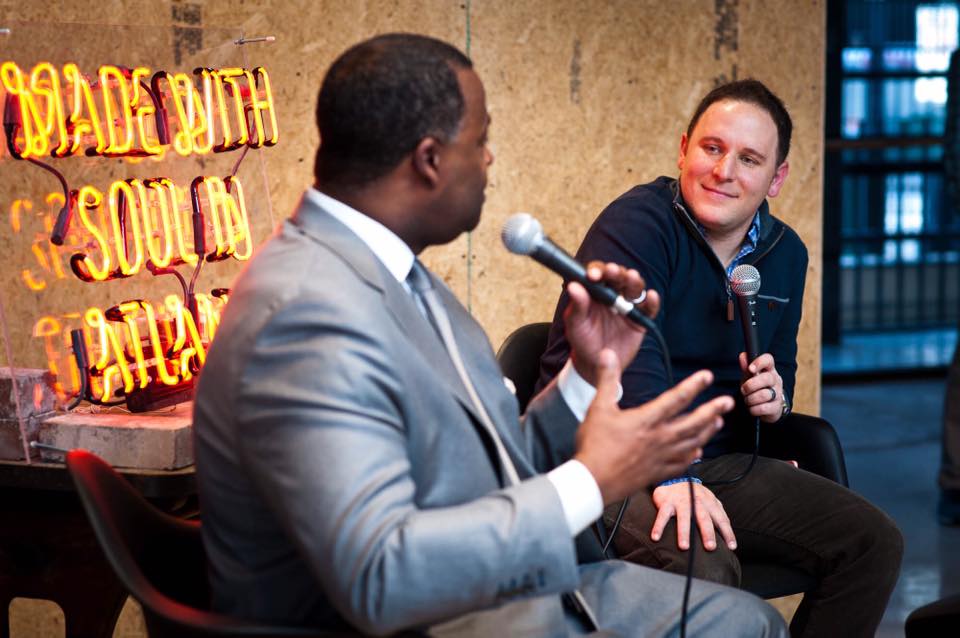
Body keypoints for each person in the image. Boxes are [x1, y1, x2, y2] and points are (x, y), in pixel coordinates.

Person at [192, 34, 787, 637]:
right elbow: (380, 577)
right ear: (430, 160)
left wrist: (586, 373)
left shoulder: (399, 273)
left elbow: (489, 467)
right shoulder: (305, 311)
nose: (490, 159)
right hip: (432, 618)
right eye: (479, 141)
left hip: (501, 588)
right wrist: (591, 480)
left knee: (748, 622)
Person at [538, 79, 903, 637]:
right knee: (702, 565)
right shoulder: (638, 225)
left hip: (720, 461)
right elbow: (630, 364)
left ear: (776, 178)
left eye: (749, 159)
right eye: (712, 148)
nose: (724, 171)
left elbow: (780, 369)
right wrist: (674, 474)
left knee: (873, 543)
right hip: (607, 458)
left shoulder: (786, 254)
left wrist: (775, 410)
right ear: (684, 149)